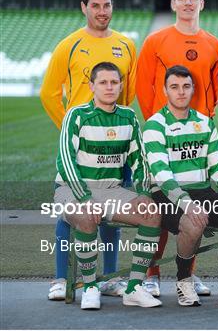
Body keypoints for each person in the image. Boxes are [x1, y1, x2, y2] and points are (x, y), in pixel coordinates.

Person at [40, 0, 137, 301]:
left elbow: (130, 92)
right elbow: (49, 93)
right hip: (81, 148)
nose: (102, 11)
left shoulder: (125, 45)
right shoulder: (69, 44)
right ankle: (60, 279)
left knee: (113, 209)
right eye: (95, 5)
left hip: (115, 145)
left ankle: (107, 278)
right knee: (70, 210)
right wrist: (71, 129)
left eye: (106, 5)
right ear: (84, 7)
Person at [143, 65, 218, 306]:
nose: (181, 92)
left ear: (193, 90)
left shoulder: (204, 123)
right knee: (193, 221)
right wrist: (187, 204)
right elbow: (162, 175)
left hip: (201, 191)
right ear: (165, 91)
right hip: (167, 195)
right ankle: (184, 280)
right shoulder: (155, 125)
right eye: (174, 87)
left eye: (186, 87)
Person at [136, 0, 218, 296]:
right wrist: (159, 130)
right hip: (164, 141)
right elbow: (144, 89)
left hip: (197, 143)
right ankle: (151, 272)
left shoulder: (215, 44)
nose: (187, 3)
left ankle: (188, 273)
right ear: (173, 4)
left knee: (195, 206)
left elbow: (214, 92)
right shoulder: (156, 41)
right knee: (158, 207)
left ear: (202, 4)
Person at [55, 62, 161, 310]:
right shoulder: (77, 114)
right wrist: (84, 197)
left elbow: (140, 159)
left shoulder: (128, 116)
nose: (109, 87)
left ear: (121, 85)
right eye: (103, 82)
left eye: (114, 82)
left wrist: (144, 192)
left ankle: (134, 289)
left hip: (112, 191)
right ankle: (91, 286)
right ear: (92, 86)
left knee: (152, 214)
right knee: (86, 216)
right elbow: (65, 160)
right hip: (72, 189)